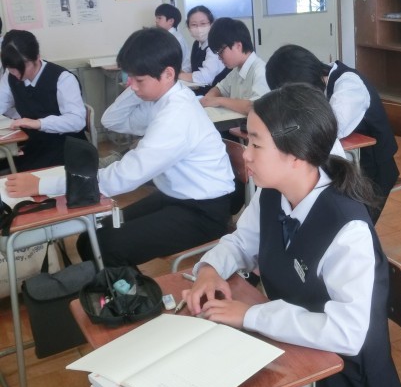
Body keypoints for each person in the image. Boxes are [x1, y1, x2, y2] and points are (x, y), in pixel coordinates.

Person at [183, 84, 401, 387]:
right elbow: (242, 242)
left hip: (341, 378)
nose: (246, 154)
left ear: (296, 155)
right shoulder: (272, 192)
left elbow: (347, 333)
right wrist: (210, 270)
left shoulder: (347, 229)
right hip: (290, 347)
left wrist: (252, 316)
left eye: (256, 144)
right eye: (247, 141)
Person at [5, 28, 236, 267]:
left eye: (139, 80)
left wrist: (43, 185)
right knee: (91, 237)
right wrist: (139, 86)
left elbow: (122, 178)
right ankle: (117, 286)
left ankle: (129, 291)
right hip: (175, 197)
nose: (130, 85)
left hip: (203, 212)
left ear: (168, 74)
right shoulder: (163, 99)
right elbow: (112, 120)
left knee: (105, 247)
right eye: (130, 77)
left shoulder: (177, 114)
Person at [265, 44, 399, 223]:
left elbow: (330, 126)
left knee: (343, 221)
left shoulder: (350, 85)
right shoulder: (320, 79)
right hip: (341, 164)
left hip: (371, 170)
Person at [0, 29, 86, 171]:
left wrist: (38, 123)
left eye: (21, 67)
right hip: (34, 142)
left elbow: (77, 121)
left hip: (65, 145)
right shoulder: (10, 76)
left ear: (37, 57)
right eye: (10, 68)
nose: (16, 73)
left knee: (23, 175)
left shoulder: (63, 78)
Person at [200, 18, 269, 115]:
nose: (219, 58)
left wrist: (219, 101)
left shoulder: (261, 71)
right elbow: (219, 89)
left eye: (221, 52)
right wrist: (209, 98)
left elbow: (255, 107)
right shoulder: (236, 70)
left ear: (238, 46)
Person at [177, 5, 229, 90]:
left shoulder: (215, 45)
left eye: (203, 24)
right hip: (199, 90)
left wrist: (178, 75)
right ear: (189, 28)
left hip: (215, 93)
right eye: (194, 25)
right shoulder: (196, 44)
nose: (198, 28)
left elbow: (206, 77)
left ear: (211, 24)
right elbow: (192, 67)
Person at [154, 3, 190, 73]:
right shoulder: (167, 36)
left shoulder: (175, 38)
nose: (156, 21)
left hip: (180, 73)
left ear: (171, 21)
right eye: (156, 18)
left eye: (159, 18)